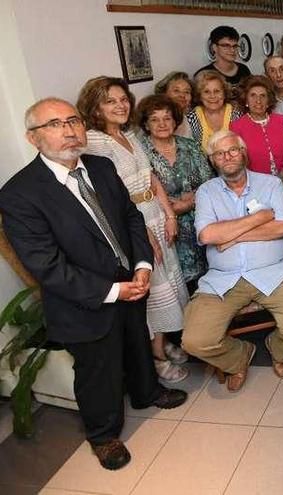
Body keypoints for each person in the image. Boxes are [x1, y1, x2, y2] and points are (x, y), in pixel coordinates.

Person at [0, 97, 187, 471]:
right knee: (97, 369)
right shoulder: (19, 194)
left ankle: (147, 392)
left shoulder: (101, 167)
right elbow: (46, 265)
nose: (69, 131)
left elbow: (132, 218)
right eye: (55, 124)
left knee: (137, 342)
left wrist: (142, 264)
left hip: (131, 281)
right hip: (82, 300)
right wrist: (113, 291)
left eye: (73, 121)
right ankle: (103, 435)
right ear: (33, 138)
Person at [78, 76, 190, 383]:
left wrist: (169, 215)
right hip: (133, 223)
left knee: (170, 284)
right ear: (95, 107)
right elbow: (112, 197)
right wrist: (144, 234)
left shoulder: (130, 134)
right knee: (155, 293)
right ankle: (156, 359)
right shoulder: (94, 142)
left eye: (123, 99)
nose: (120, 105)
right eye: (110, 101)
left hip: (154, 211)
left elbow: (151, 177)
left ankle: (165, 343)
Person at [183, 130, 283, 391]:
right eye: (219, 154)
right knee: (194, 340)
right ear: (213, 160)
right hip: (223, 278)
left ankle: (276, 348)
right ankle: (238, 357)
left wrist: (231, 237)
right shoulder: (206, 192)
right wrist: (260, 217)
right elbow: (207, 234)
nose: (227, 157)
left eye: (232, 150)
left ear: (243, 153)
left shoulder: (271, 184)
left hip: (275, 272)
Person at [136, 95, 214, 293]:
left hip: (200, 224)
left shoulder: (191, 146)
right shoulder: (139, 153)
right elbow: (140, 191)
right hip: (163, 229)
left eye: (167, 118)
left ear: (175, 121)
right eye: (154, 119)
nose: (162, 124)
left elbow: (210, 185)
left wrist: (189, 202)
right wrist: (172, 206)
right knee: (177, 290)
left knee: (208, 286)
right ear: (145, 124)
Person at [230, 75, 283, 177]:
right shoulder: (236, 127)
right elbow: (237, 163)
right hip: (256, 184)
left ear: (268, 101)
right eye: (253, 95)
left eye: (263, 96)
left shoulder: (282, 121)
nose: (258, 100)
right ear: (246, 100)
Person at [186, 70, 242, 152]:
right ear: (200, 95)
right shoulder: (191, 117)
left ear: (224, 93)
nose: (212, 96)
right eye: (206, 92)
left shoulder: (236, 114)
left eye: (217, 91)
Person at [154, 71, 194, 137]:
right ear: (164, 94)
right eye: (176, 91)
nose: (182, 95)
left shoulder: (191, 118)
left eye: (187, 92)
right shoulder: (156, 119)